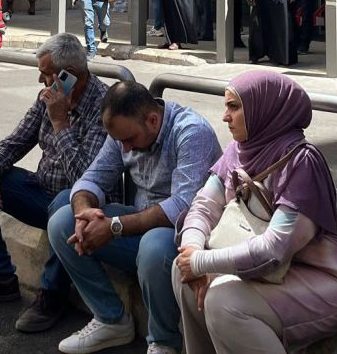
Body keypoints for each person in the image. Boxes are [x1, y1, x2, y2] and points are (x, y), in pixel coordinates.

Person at [174, 70, 337, 354]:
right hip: (268, 277)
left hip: (321, 281)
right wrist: (191, 250)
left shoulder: (301, 162)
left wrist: (201, 261)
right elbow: (204, 206)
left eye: (234, 107)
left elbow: (275, 248)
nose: (225, 116)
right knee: (182, 275)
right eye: (227, 107)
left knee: (223, 302)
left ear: (264, 108)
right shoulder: (238, 150)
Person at [0, 34, 111, 334]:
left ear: (68, 75)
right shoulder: (47, 97)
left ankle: (52, 295)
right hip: (40, 190)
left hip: (77, 204)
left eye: (47, 74)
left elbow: (86, 179)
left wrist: (61, 123)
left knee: (66, 202)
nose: (40, 80)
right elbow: (15, 140)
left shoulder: (104, 106)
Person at [47, 81, 221, 354]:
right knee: (62, 223)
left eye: (130, 140)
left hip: (182, 233)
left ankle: (163, 342)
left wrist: (115, 226)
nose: (125, 149)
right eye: (120, 142)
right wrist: (83, 213)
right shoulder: (122, 132)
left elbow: (182, 207)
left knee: (154, 246)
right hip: (139, 223)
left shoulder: (191, 132)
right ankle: (111, 319)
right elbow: (91, 179)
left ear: (152, 120)